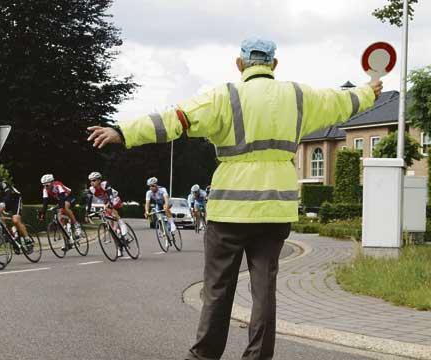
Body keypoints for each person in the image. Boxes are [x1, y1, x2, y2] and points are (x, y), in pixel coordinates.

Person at [87, 37, 382, 360]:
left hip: (230, 209)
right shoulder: (299, 96)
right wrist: (369, 90)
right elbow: (341, 102)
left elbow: (174, 119)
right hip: (274, 210)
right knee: (264, 290)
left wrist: (124, 132)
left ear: (240, 64)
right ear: (274, 64)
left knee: (217, 289)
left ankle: (204, 356)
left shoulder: (224, 96)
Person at [0, 170, 32, 254]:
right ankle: (13, 239)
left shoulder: (2, 183)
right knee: (0, 220)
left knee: (16, 220)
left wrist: (3, 203)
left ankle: (27, 239)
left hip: (15, 199)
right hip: (4, 202)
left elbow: (8, 194)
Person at [86, 171, 127, 255]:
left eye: (93, 180)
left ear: (99, 180)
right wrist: (87, 212)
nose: (91, 183)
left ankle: (121, 223)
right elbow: (89, 201)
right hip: (106, 203)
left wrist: (110, 203)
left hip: (114, 199)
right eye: (90, 181)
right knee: (112, 229)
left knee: (109, 208)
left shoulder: (105, 184)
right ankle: (119, 247)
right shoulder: (92, 189)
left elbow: (110, 195)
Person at [38, 174, 82, 247]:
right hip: (61, 200)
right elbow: (45, 202)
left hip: (69, 197)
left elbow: (62, 197)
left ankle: (76, 225)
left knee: (64, 207)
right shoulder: (45, 190)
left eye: (47, 185)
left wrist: (61, 208)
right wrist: (43, 213)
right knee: (60, 219)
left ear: (52, 182)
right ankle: (67, 242)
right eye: (44, 185)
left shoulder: (58, 185)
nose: (46, 187)